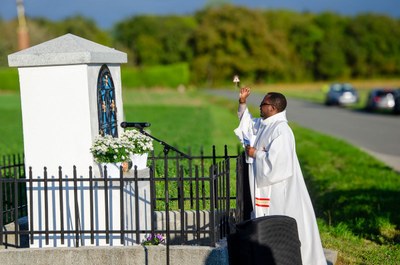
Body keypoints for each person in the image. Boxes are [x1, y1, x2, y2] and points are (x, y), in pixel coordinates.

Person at [234, 87, 327, 265]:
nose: (260, 106)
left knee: (282, 227)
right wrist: (242, 102)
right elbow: (246, 126)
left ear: (273, 108)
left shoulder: (281, 131)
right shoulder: (266, 124)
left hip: (279, 191)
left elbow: (278, 166)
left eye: (263, 104)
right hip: (266, 188)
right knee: (270, 227)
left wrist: (255, 154)